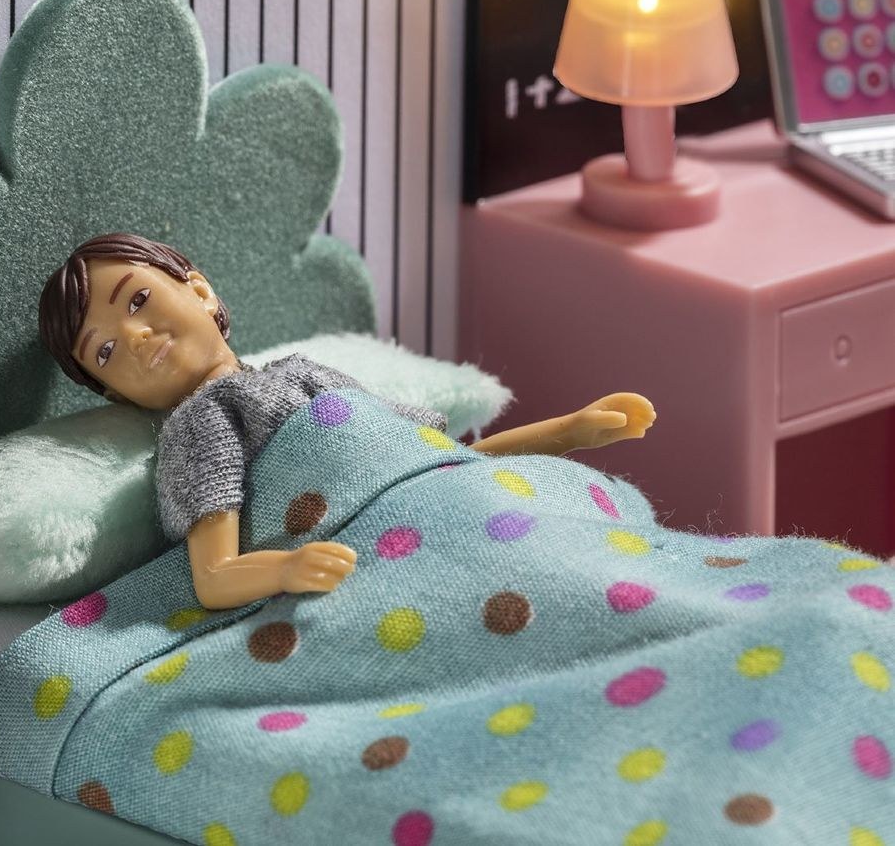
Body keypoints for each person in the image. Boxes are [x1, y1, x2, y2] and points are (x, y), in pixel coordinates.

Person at [39, 233, 656, 609]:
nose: (136, 337)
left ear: (199, 291)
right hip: (380, 556)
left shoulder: (307, 372)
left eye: (139, 300)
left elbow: (441, 460)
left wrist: (568, 431)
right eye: (106, 351)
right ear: (115, 394)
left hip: (447, 507)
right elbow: (215, 576)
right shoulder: (202, 425)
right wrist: (286, 568)